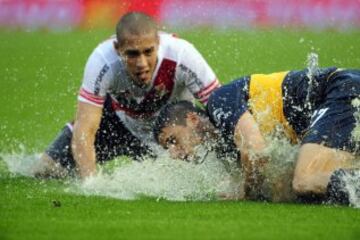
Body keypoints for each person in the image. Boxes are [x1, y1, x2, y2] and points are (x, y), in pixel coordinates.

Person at [36, 12, 221, 179]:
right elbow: (85, 128)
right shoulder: (102, 61)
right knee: (45, 170)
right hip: (117, 122)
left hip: (167, 132)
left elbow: (220, 111)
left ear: (158, 43)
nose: (142, 63)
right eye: (132, 54)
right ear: (117, 49)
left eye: (148, 52)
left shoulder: (182, 55)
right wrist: (90, 185)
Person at [153, 67, 360, 204]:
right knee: (296, 191)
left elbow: (257, 150)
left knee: (305, 181)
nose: (174, 152)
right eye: (167, 147)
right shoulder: (226, 143)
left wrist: (247, 193)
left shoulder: (218, 103)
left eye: (172, 140)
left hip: (340, 88)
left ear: (192, 119)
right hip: (341, 93)